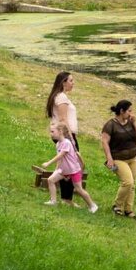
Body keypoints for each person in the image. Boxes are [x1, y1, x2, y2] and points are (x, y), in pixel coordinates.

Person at [100, 99, 136, 219]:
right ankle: (117, 205)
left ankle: (128, 210)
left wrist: (134, 122)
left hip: (134, 157)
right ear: (121, 111)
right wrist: (109, 158)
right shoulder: (110, 125)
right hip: (118, 158)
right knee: (127, 182)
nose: (131, 113)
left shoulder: (130, 122)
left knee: (132, 184)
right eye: (129, 111)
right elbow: (104, 141)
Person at [43, 122, 98, 212]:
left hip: (74, 171)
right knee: (50, 180)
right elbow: (61, 160)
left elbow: (60, 156)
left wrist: (48, 163)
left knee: (79, 189)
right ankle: (53, 201)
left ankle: (92, 205)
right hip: (64, 170)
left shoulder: (66, 143)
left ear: (60, 131)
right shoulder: (58, 144)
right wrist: (56, 171)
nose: (51, 134)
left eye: (53, 131)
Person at [45, 72, 80, 204]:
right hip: (65, 135)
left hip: (62, 134)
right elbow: (63, 119)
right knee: (70, 166)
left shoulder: (60, 96)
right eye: (71, 80)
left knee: (67, 165)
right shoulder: (61, 98)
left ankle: (65, 196)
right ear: (63, 82)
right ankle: (66, 199)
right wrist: (71, 139)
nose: (73, 83)